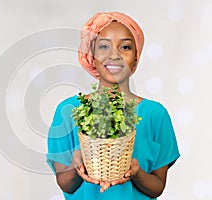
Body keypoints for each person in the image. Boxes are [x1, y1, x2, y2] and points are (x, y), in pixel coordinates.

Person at [46, 12, 180, 200]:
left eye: (125, 47)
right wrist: (77, 164)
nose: (114, 55)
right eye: (104, 46)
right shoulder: (69, 111)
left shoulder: (155, 115)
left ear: (135, 59)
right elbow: (66, 185)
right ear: (92, 56)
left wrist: (136, 172)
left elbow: (157, 187)